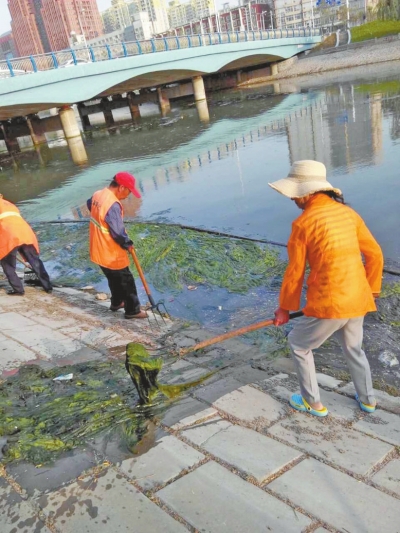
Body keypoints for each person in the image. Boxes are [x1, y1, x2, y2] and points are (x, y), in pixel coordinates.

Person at [269, 160, 383, 417]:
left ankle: (312, 402)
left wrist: (285, 309)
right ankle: (368, 400)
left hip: (330, 304)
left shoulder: (303, 224)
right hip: (358, 299)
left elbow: (295, 273)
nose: (293, 199)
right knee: (354, 349)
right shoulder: (349, 214)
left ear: (308, 192)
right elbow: (375, 254)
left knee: (299, 344)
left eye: (296, 194)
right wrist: (372, 289)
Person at [87, 172, 147, 319]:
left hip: (98, 248)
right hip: (110, 251)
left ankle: (116, 302)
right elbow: (118, 232)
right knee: (126, 280)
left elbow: (90, 205)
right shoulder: (112, 204)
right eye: (128, 191)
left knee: (113, 278)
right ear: (121, 188)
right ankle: (132, 310)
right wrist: (128, 244)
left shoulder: (99, 194)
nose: (128, 195)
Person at [0, 194, 52, 295]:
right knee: (35, 261)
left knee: (8, 264)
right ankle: (48, 286)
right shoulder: (8, 204)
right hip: (25, 233)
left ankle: (18, 290)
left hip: (9, 236)